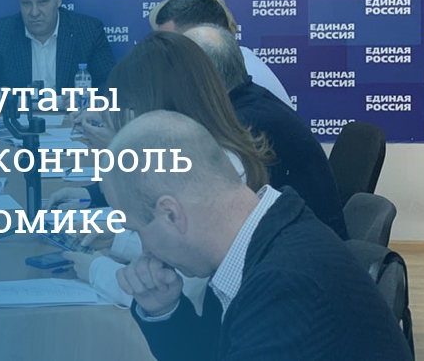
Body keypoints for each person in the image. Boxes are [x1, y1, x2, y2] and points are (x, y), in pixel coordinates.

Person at [108, 110, 412, 361]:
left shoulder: (286, 285)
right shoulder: (260, 241)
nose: (145, 249)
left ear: (171, 214)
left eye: (136, 230)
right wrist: (164, 309)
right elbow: (214, 353)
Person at [53, 32, 272, 308]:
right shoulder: (210, 147)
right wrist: (119, 239)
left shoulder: (211, 167)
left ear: (159, 106)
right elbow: (173, 238)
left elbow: (188, 286)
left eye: (132, 108)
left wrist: (98, 271)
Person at [182, 24, 347, 239]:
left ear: (201, 79)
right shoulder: (251, 101)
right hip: (299, 240)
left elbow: (214, 215)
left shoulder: (246, 124)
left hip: (305, 249)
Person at [152, 0, 293, 107]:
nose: (164, 52)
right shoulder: (231, 63)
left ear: (203, 33)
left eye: (169, 42)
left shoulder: (244, 75)